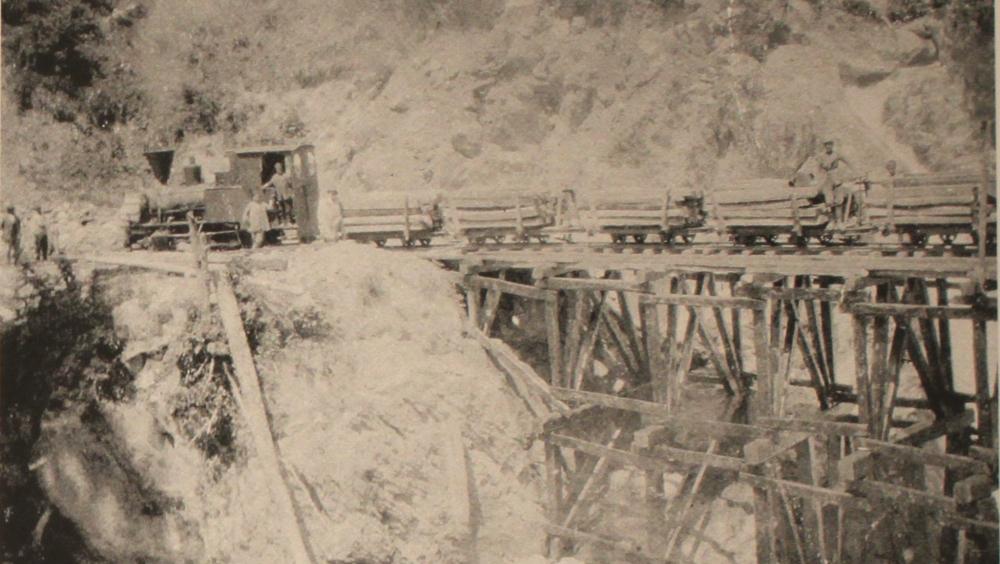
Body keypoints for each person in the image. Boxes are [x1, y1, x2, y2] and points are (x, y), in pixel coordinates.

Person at [815, 140, 854, 227]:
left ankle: (839, 221)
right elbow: (817, 168)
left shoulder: (836, 154)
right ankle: (831, 221)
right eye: (826, 145)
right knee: (829, 201)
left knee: (839, 200)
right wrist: (817, 179)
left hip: (836, 179)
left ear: (832, 145)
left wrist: (852, 170)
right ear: (824, 146)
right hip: (826, 180)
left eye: (830, 145)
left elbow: (848, 162)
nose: (828, 147)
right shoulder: (821, 156)